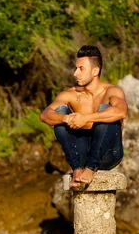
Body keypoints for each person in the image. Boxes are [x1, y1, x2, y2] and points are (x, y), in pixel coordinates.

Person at [40, 45, 128, 188]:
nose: (75, 73)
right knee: (60, 112)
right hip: (81, 154)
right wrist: (67, 118)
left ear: (95, 71)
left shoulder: (112, 91)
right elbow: (45, 115)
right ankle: (77, 168)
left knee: (106, 110)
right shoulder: (71, 94)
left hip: (108, 154)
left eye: (81, 69)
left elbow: (121, 111)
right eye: (76, 68)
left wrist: (86, 118)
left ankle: (90, 168)